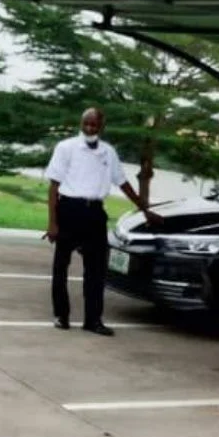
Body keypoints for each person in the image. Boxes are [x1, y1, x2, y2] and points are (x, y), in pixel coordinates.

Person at [45, 108, 160, 336]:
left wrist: (145, 209)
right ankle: (61, 315)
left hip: (95, 213)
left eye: (94, 125)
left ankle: (93, 320)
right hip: (69, 209)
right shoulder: (66, 147)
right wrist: (52, 223)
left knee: (96, 270)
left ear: (101, 126)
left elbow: (123, 183)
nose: (89, 128)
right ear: (81, 123)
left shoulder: (108, 152)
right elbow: (53, 187)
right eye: (86, 124)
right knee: (61, 266)